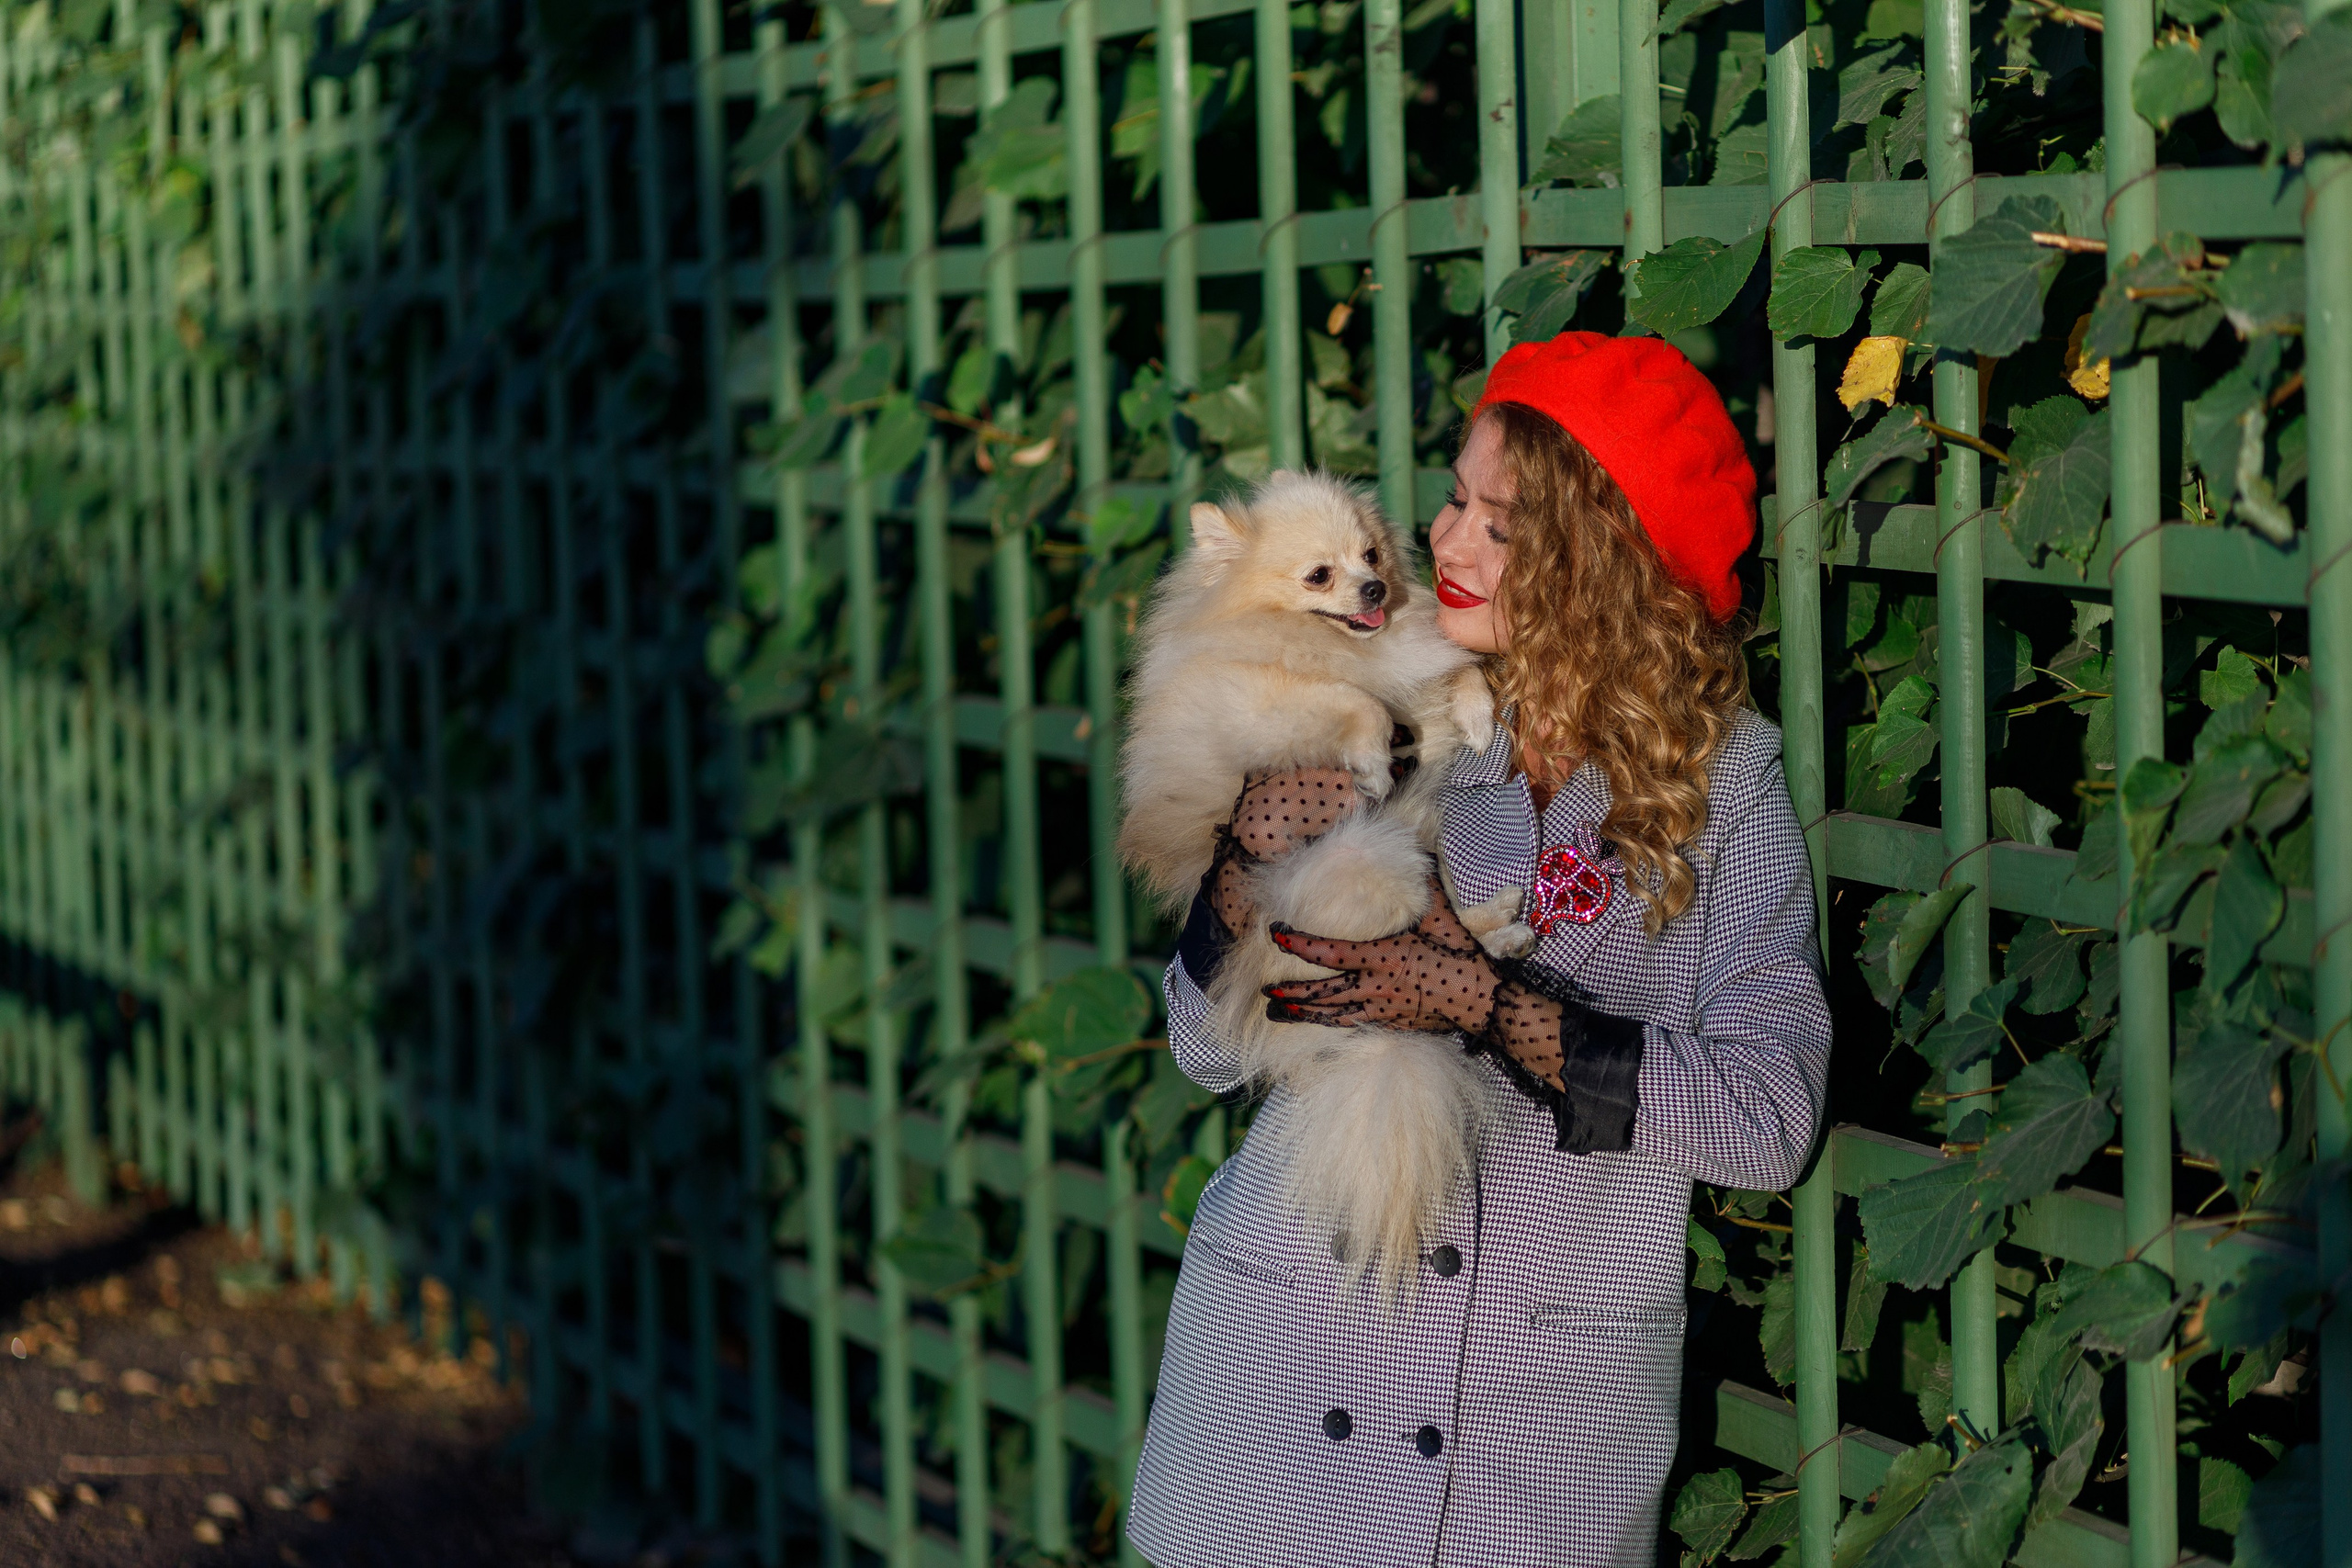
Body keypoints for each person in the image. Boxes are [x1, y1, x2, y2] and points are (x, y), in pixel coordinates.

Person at [1125, 331, 1833, 1568]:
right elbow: (1203, 1050)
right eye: (1455, 498)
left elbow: (1769, 1124)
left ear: (1603, 557)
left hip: (1529, 1447)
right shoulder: (1375, 703)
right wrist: (1242, 865)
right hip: (1286, 1385)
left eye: (1499, 524)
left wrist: (1492, 1005)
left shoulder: (1732, 790)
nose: (1443, 542)